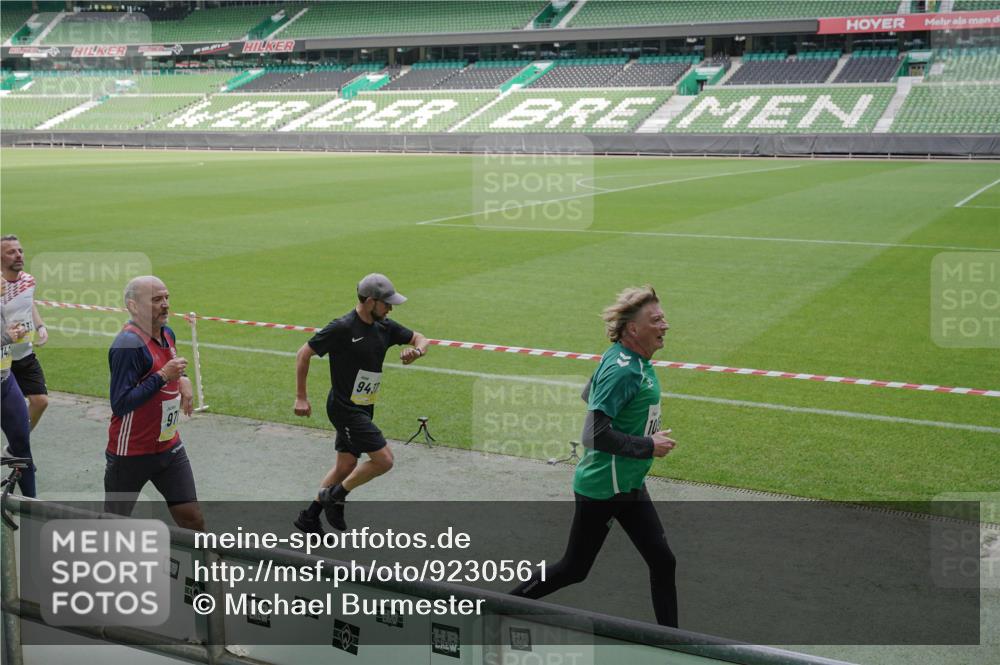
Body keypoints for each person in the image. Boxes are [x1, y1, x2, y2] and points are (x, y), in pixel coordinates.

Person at [511, 285, 679, 627]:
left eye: (663, 318)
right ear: (634, 328)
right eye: (657, 319)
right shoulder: (626, 369)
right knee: (574, 569)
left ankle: (673, 645)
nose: (665, 325)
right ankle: (497, 605)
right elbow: (593, 434)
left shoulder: (628, 359)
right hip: (603, 488)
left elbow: (590, 392)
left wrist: (635, 434)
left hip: (628, 482)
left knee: (663, 561)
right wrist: (648, 445)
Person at [293, 273, 429, 534]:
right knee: (384, 460)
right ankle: (336, 496)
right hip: (345, 409)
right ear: (369, 301)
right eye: (386, 303)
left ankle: (309, 517)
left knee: (345, 465)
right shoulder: (342, 327)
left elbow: (421, 338)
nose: (390, 308)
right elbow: (303, 354)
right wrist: (301, 396)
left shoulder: (384, 327)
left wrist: (417, 352)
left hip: (364, 406)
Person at [105, 275, 203, 531]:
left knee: (192, 517)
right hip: (131, 453)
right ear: (133, 306)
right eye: (156, 299)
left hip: (168, 446)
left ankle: (211, 569)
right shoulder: (128, 345)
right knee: (115, 523)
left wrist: (183, 379)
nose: (165, 304)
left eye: (166, 298)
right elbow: (121, 403)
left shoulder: (167, 333)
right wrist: (163, 377)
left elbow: (171, 365)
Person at [1, 235, 49, 432]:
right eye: (11, 252)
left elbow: (29, 304)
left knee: (40, 401)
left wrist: (40, 326)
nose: (18, 255)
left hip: (24, 354)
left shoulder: (28, 281)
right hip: (2, 358)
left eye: (20, 251)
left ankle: (18, 442)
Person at [1, 311, 36, 497]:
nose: (4, 281)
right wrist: (6, 337)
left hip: (5, 381)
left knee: (22, 445)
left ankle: (33, 507)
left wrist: (13, 330)